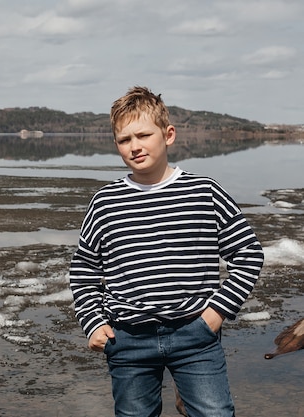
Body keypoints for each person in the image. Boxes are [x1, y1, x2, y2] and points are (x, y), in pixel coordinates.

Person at [69, 86, 264, 417]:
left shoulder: (204, 192)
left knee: (215, 413)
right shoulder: (106, 202)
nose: (135, 146)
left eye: (143, 135)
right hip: (127, 338)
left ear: (168, 134)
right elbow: (84, 270)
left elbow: (248, 253)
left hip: (196, 334)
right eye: (124, 139)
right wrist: (93, 321)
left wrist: (215, 314)